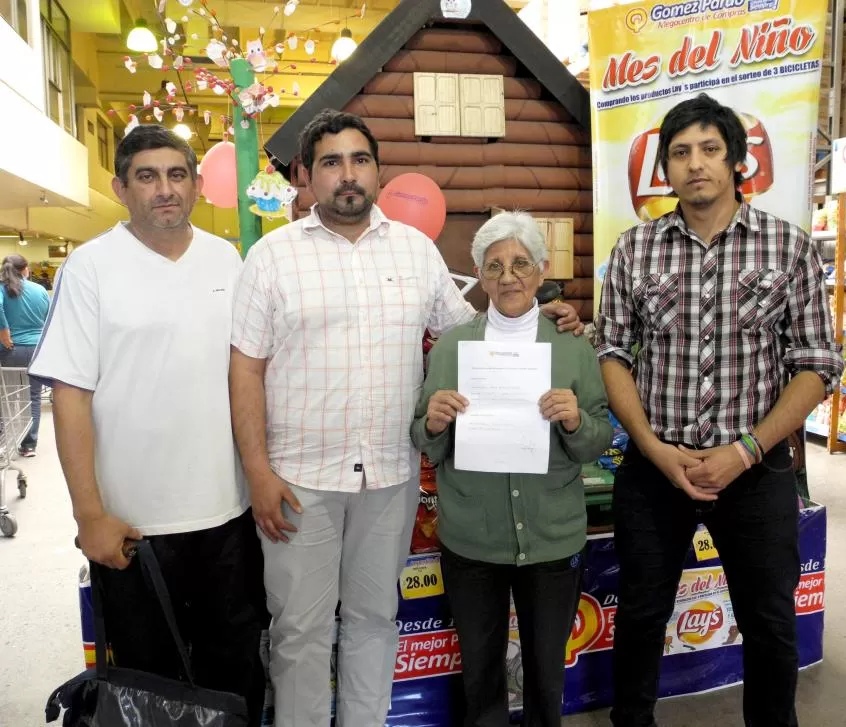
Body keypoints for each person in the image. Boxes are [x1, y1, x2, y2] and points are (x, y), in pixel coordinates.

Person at [229, 109, 583, 727]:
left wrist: (536, 317)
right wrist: (257, 471)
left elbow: (471, 336)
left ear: (377, 171)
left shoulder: (415, 252)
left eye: (359, 160)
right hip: (298, 482)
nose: (347, 175)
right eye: (331, 162)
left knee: (373, 622)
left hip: (388, 478)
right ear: (308, 176)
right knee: (300, 630)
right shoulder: (271, 257)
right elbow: (245, 371)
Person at [596, 94, 844, 727]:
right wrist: (653, 448)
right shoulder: (634, 250)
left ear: (737, 161)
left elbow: (817, 365)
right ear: (665, 168)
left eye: (710, 149)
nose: (695, 164)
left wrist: (745, 451)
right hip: (657, 469)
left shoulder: (787, 248)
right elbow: (614, 352)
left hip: (754, 470)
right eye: (680, 152)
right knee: (643, 615)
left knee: (768, 621)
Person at [29, 125, 268, 726]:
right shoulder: (90, 268)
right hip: (134, 528)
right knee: (148, 687)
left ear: (194, 184)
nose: (165, 189)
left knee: (235, 673)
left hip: (226, 516)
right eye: (147, 176)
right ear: (121, 187)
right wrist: (89, 516)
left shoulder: (227, 260)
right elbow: (71, 394)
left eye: (177, 174)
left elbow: (251, 372)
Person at [411, 211, 613, 727]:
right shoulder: (455, 346)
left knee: (547, 671)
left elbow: (597, 441)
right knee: (481, 671)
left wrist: (573, 423)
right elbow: (423, 439)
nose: (508, 277)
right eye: (494, 266)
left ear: (542, 272)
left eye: (520, 263)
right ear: (479, 276)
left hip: (551, 538)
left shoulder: (570, 346)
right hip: (472, 541)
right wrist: (433, 423)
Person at [0, 254, 52, 456]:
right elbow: (50, 318)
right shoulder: (39, 290)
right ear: (25, 269)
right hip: (38, 350)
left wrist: (4, 330)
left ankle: (4, 441)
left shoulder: (2, 288)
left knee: (6, 396)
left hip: (11, 350)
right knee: (33, 397)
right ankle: (29, 445)